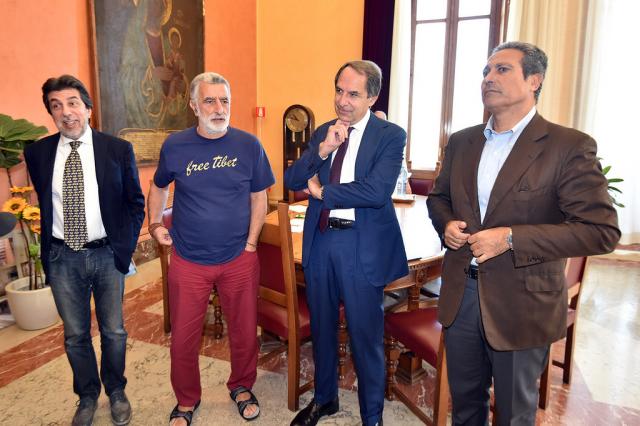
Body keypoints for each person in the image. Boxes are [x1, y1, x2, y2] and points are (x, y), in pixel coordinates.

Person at [427, 41, 620, 425]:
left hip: (523, 302)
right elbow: (439, 198)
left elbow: (600, 231)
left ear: (535, 80)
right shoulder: (463, 141)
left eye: (502, 69)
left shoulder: (568, 146)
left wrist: (511, 237)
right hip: (461, 296)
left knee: (515, 414)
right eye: (486, 71)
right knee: (465, 407)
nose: (488, 78)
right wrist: (445, 223)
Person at [285, 60, 408, 426]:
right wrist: (322, 150)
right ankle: (325, 400)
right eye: (339, 90)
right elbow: (292, 179)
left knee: (365, 337)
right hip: (322, 242)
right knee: (322, 329)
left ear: (372, 97)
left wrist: (323, 192)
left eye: (353, 94)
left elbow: (376, 191)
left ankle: (372, 417)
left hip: (361, 246)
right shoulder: (324, 130)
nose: (342, 100)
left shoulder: (390, 135)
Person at [147, 72, 275, 425]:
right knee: (183, 339)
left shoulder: (249, 145)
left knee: (244, 331)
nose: (219, 108)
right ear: (193, 106)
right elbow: (158, 186)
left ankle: (242, 386)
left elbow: (259, 197)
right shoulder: (176, 146)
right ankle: (186, 400)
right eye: (209, 101)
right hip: (189, 260)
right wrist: (155, 224)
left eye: (224, 100)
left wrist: (251, 244)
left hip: (238, 258)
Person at [24, 75, 145, 426]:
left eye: (73, 103)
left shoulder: (117, 149)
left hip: (106, 254)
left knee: (114, 331)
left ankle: (117, 390)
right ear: (51, 113)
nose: (66, 112)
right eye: (56, 106)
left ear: (88, 108)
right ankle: (87, 395)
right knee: (75, 335)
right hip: (63, 257)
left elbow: (135, 203)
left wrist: (124, 245)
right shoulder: (38, 154)